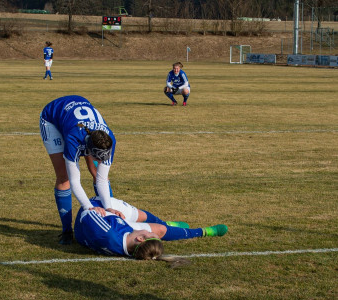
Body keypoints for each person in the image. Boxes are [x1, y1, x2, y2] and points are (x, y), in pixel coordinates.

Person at [40, 95, 122, 245]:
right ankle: (66, 231)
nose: (100, 161)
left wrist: (109, 207)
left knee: (97, 172)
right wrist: (89, 208)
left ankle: (109, 220)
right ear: (88, 150)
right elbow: (74, 181)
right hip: (53, 118)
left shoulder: (109, 139)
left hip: (81, 121)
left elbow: (102, 179)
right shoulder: (74, 139)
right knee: (63, 177)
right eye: (97, 157)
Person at [74, 196, 228, 260]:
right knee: (160, 230)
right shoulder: (133, 249)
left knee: (140, 216)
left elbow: (87, 213)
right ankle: (203, 231)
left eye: (148, 234)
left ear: (140, 238)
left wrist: (107, 210)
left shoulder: (108, 233)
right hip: (117, 228)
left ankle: (167, 225)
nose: (149, 232)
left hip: (95, 218)